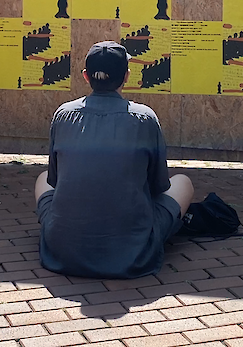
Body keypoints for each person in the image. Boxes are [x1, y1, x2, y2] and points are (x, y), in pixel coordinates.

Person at [34, 41, 194, 279]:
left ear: (86, 76)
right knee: (183, 182)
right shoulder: (144, 118)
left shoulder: (63, 114)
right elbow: (158, 186)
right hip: (133, 250)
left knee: (42, 179)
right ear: (126, 76)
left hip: (63, 249)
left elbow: (55, 180)